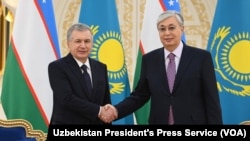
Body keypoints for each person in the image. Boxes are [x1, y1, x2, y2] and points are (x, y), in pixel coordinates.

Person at [100, 10, 223, 124]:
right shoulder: (149, 59)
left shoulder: (201, 58)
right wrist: (116, 110)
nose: (167, 33)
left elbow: (212, 100)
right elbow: (140, 95)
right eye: (162, 29)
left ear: (182, 29)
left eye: (171, 28)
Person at [47, 23, 113, 125]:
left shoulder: (100, 67)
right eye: (78, 41)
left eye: (87, 41)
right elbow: (66, 99)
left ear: (92, 44)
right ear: (68, 44)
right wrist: (99, 110)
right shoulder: (57, 67)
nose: (83, 46)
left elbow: (105, 100)